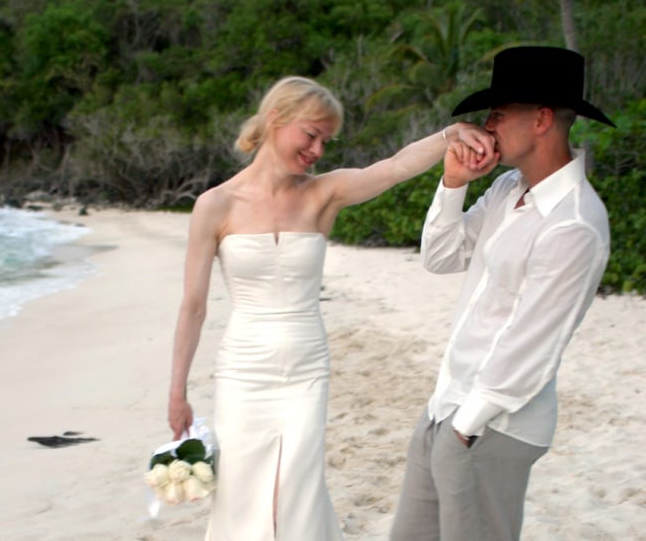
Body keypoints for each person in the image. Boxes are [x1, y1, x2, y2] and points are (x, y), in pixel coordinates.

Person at [167, 75, 495, 540]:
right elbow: (193, 307)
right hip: (243, 370)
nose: (318, 149)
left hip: (306, 368)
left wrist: (450, 135)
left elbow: (396, 167)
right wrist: (177, 392)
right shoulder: (214, 206)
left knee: (297, 487)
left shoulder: (323, 194)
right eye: (311, 134)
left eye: (325, 140)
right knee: (241, 492)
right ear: (275, 118)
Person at [389, 46, 616, 541]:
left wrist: (464, 429)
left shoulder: (575, 222)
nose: (486, 127)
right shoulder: (507, 188)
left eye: (497, 114)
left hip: (491, 427)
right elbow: (440, 256)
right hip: (446, 406)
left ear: (541, 119)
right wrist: (453, 183)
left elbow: (532, 343)